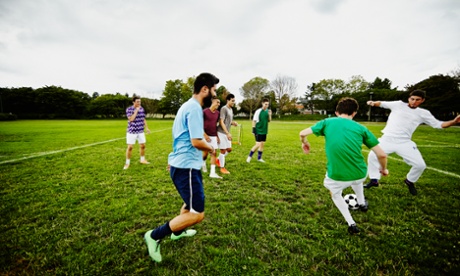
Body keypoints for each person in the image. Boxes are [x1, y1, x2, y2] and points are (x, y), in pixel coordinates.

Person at [144, 73, 219, 263]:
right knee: (197, 213)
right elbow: (195, 141)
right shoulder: (194, 108)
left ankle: (177, 232)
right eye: (214, 90)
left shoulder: (187, 106)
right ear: (205, 89)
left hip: (184, 165)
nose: (215, 93)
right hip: (186, 167)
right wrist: (211, 148)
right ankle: (154, 235)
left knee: (190, 202)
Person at [299, 97, 388, 234]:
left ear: (336, 112)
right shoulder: (361, 128)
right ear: (354, 113)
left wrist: (305, 142)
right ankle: (362, 204)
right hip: (361, 172)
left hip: (337, 176)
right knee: (357, 181)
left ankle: (351, 223)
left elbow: (302, 133)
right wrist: (383, 169)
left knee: (335, 194)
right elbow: (382, 155)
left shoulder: (327, 122)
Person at [365, 90, 460, 195]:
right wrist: (373, 103)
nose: (414, 102)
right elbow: (381, 103)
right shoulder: (398, 105)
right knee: (372, 156)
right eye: (412, 99)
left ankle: (410, 181)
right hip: (387, 139)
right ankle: (374, 180)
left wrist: (454, 122)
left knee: (420, 165)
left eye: (417, 100)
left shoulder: (424, 113)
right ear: (409, 99)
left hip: (404, 143)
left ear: (422, 100)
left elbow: (438, 124)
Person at [124, 96, 151, 170]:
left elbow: (143, 119)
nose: (139, 103)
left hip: (140, 131)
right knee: (130, 147)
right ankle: (127, 163)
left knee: (143, 146)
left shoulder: (142, 109)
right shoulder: (129, 109)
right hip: (131, 131)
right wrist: (136, 111)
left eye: (140, 101)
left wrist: (147, 128)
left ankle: (142, 160)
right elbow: (131, 119)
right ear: (133, 102)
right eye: (137, 102)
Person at [216, 93, 238, 174]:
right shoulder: (224, 108)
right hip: (221, 132)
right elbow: (221, 121)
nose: (233, 102)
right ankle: (222, 168)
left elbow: (227, 121)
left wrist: (233, 123)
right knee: (223, 150)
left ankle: (218, 159)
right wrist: (227, 133)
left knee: (229, 149)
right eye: (232, 101)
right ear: (227, 100)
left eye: (234, 101)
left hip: (226, 133)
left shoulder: (231, 110)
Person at [246, 98, 272, 163]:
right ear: (262, 103)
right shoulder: (258, 111)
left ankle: (259, 158)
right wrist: (253, 129)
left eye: (268, 104)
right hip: (258, 130)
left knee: (262, 144)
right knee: (258, 144)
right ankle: (249, 157)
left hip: (264, 130)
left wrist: (270, 114)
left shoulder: (267, 111)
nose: (266, 105)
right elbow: (254, 120)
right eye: (265, 104)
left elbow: (269, 120)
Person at [202, 97, 223, 179]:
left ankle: (212, 173)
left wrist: (217, 136)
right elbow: (199, 124)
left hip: (213, 136)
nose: (219, 104)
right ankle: (203, 163)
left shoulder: (218, 113)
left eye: (219, 103)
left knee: (214, 153)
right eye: (217, 102)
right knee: (205, 153)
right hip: (205, 136)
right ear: (213, 102)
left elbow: (216, 125)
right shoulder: (204, 112)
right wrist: (204, 135)